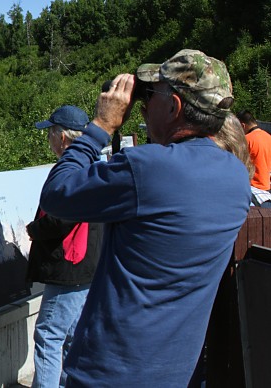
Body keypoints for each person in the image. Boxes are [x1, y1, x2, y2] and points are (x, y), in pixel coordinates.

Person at [39, 49, 249, 387]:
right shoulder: (237, 179)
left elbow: (57, 195)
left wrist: (100, 126)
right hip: (179, 374)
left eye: (149, 96)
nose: (143, 104)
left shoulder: (147, 168)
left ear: (174, 107)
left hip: (109, 374)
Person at [27, 105, 104, 388]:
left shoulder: (71, 168)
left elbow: (62, 217)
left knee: (48, 336)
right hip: (88, 264)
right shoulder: (95, 163)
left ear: (62, 137)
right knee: (73, 336)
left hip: (69, 266)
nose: (48, 138)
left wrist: (34, 229)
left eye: (50, 133)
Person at [237, 110, 271, 205]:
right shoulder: (268, 137)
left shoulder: (246, 140)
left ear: (243, 125)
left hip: (252, 189)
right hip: (267, 188)